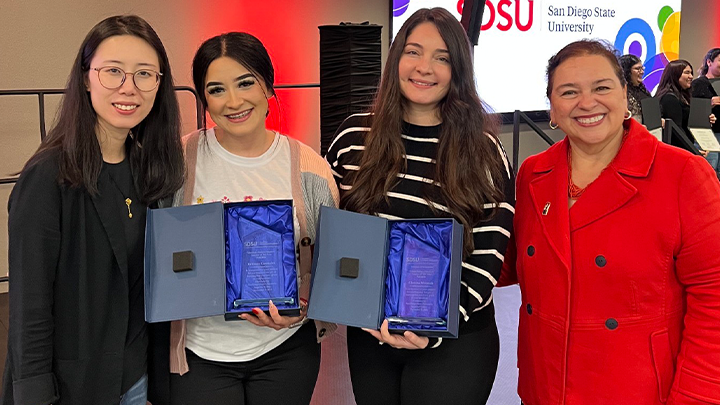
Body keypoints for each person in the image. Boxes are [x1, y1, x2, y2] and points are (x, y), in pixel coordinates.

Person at [500, 39, 720, 405]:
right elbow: (513, 262)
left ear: (624, 95)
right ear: (552, 108)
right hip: (544, 386)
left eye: (601, 87)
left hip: (638, 390)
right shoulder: (534, 173)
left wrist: (696, 396)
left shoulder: (683, 175)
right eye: (569, 92)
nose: (587, 103)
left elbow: (714, 299)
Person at [325, 8, 514, 405]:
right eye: (413, 52)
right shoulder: (353, 136)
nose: (424, 67)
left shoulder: (482, 149)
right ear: (396, 59)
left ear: (457, 69)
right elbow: (333, 234)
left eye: (442, 57)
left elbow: (488, 253)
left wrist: (434, 327)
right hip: (372, 335)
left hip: (455, 339)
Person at [2, 15, 185, 405]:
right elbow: (29, 308)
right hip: (72, 386)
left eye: (144, 74)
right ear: (86, 78)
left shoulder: (147, 167)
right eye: (113, 72)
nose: (128, 88)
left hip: (134, 378)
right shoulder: (48, 176)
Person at [165, 32, 339, 405]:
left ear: (268, 86)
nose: (234, 101)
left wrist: (302, 310)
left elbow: (334, 268)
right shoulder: (177, 163)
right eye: (216, 90)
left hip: (286, 350)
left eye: (246, 83)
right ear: (204, 100)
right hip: (201, 352)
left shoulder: (311, 169)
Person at [656, 59, 715, 153]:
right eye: (687, 72)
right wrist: (693, 150)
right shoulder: (669, 98)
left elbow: (687, 122)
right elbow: (676, 131)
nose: (691, 76)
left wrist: (705, 120)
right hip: (678, 152)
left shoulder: (683, 96)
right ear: (675, 75)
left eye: (691, 73)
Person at [691, 47, 720, 177]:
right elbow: (692, 109)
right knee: (709, 171)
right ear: (709, 62)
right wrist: (710, 104)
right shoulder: (698, 83)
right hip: (708, 135)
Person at [619, 54, 651, 122]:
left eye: (642, 68)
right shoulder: (622, 94)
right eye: (637, 69)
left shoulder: (642, 90)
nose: (642, 72)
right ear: (626, 71)